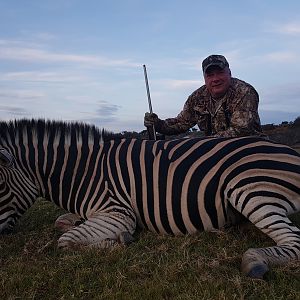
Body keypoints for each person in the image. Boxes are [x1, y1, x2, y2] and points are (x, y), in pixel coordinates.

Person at [144, 54, 263, 138]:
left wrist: (201, 143)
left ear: (229, 73)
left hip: (249, 150)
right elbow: (181, 123)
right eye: (210, 75)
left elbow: (240, 131)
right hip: (215, 153)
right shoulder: (197, 98)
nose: (215, 79)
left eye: (220, 73)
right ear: (204, 78)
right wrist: (157, 124)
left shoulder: (244, 92)